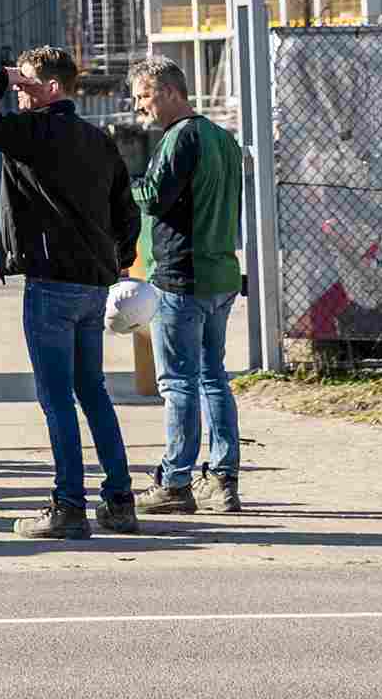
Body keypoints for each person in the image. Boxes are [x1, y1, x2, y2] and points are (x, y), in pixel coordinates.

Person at [0, 45, 142, 540]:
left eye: (26, 85)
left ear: (52, 89)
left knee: (57, 397)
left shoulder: (38, 132)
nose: (18, 94)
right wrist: (117, 261)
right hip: (92, 285)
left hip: (52, 285)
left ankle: (68, 505)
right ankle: (120, 500)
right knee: (93, 391)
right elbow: (127, 212)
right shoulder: (97, 139)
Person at [130, 57, 246, 514]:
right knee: (213, 377)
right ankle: (223, 479)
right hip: (220, 273)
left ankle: (175, 481)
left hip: (182, 276)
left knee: (177, 382)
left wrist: (127, 183)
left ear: (169, 92)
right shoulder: (224, 139)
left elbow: (154, 197)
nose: (140, 108)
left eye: (144, 96)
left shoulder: (180, 138)